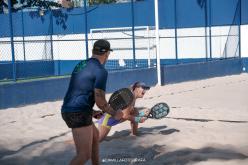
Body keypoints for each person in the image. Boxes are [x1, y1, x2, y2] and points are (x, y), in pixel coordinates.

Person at [61, 39, 123, 165]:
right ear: (107, 54)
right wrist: (114, 113)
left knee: (95, 136)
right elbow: (100, 100)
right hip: (77, 113)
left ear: (93, 51)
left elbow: (79, 91)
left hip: (70, 109)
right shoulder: (101, 71)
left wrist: (92, 112)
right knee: (84, 155)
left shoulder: (81, 64)